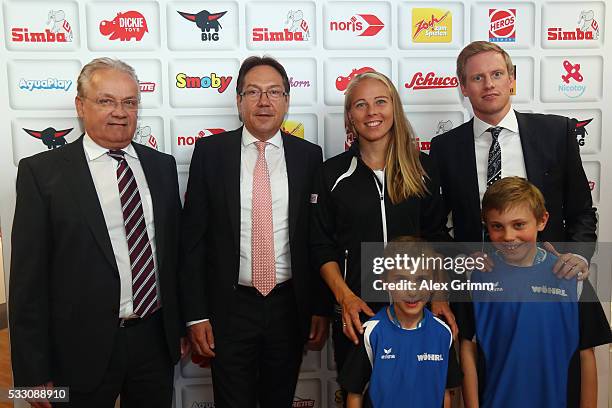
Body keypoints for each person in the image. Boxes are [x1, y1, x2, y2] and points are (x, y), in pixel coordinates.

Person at [9, 58, 183, 407]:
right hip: (78, 350)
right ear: (80, 106)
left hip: (153, 341)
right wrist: (31, 374)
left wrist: (178, 327)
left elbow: (174, 257)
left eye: (129, 102)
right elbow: (28, 283)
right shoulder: (42, 174)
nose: (120, 112)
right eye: (106, 101)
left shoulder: (161, 167)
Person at [180, 56, 329, 408]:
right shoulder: (210, 153)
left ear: (287, 101)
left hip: (288, 307)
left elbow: (317, 238)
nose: (264, 101)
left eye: (274, 92)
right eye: (254, 92)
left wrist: (320, 306)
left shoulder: (309, 156)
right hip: (229, 309)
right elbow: (193, 241)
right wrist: (196, 314)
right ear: (238, 100)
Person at [310, 71, 456, 400]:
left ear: (394, 108)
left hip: (415, 309)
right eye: (360, 104)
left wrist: (441, 294)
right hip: (357, 311)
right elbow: (321, 246)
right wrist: (345, 297)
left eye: (380, 101)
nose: (372, 112)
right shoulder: (330, 173)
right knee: (357, 395)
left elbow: (437, 237)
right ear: (350, 117)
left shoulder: (424, 168)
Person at [429, 41, 597, 278]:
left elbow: (582, 211)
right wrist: (459, 258)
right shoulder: (445, 148)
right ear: (464, 88)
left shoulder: (557, 132)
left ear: (511, 79)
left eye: (496, 74)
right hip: (480, 284)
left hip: (552, 275)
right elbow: (433, 224)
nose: (489, 85)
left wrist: (578, 256)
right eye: (477, 78)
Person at [457, 177, 612, 407]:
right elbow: (468, 349)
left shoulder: (571, 277)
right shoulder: (476, 278)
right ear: (486, 225)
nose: (508, 236)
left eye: (519, 225)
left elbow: (586, 355)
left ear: (542, 221)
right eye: (497, 226)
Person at [338, 238, 462, 408]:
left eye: (421, 280)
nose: (412, 291)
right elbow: (354, 395)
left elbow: (446, 393)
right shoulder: (370, 333)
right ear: (384, 281)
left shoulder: (443, 333)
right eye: (401, 280)